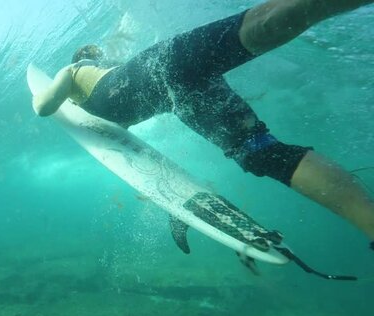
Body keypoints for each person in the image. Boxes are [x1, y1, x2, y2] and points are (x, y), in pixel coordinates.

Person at [32, 0, 374, 250]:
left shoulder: (73, 72)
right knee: (261, 152)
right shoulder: (107, 77)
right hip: (179, 86)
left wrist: (48, 92)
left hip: (165, 66)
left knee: (262, 25)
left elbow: (42, 107)